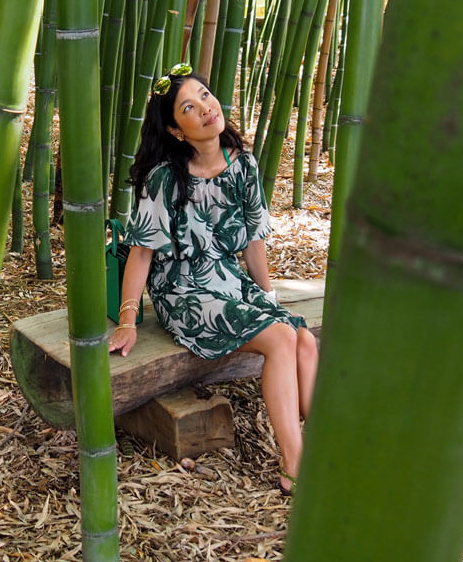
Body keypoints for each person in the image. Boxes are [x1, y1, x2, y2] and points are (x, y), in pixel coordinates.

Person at [108, 63, 318, 495]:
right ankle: (294, 462)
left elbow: (253, 242)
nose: (205, 107)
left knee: (304, 339)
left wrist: (268, 296)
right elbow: (143, 251)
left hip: (229, 282)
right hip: (183, 291)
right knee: (280, 339)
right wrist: (129, 318)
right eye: (189, 107)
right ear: (176, 130)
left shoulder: (244, 165)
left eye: (205, 95)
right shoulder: (164, 179)